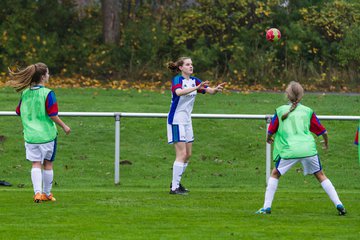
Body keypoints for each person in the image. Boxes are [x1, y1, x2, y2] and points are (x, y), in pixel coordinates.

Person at [256, 81, 346, 215]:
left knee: (275, 174)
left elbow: (271, 130)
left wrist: (268, 138)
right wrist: (326, 143)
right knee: (321, 175)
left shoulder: (280, 110)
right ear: (301, 96)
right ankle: (339, 204)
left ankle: (266, 207)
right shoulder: (307, 111)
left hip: (289, 150)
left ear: (287, 95)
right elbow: (323, 132)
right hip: (308, 149)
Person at [9, 62, 71, 203]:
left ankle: (37, 193)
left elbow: (18, 111)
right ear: (43, 77)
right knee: (48, 164)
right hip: (47, 136)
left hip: (30, 137)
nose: (49, 76)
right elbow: (52, 114)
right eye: (48, 73)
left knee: (35, 164)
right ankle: (47, 194)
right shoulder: (48, 93)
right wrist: (64, 126)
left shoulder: (25, 93)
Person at [166, 57, 226, 195]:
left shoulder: (195, 80)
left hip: (187, 121)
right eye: (187, 64)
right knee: (181, 154)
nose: (191, 66)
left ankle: (176, 182)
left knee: (188, 154)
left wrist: (215, 89)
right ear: (181, 68)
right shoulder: (178, 80)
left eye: (191, 64)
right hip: (176, 119)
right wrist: (197, 88)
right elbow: (178, 92)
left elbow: (209, 91)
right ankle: (174, 188)